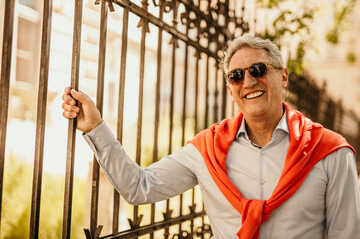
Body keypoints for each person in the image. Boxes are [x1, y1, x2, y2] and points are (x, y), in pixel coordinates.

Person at [62, 34, 360, 239]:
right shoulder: (207, 149)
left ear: (283, 76)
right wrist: (95, 127)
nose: (249, 81)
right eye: (236, 75)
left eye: (258, 69)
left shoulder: (331, 153)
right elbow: (140, 187)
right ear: (231, 89)